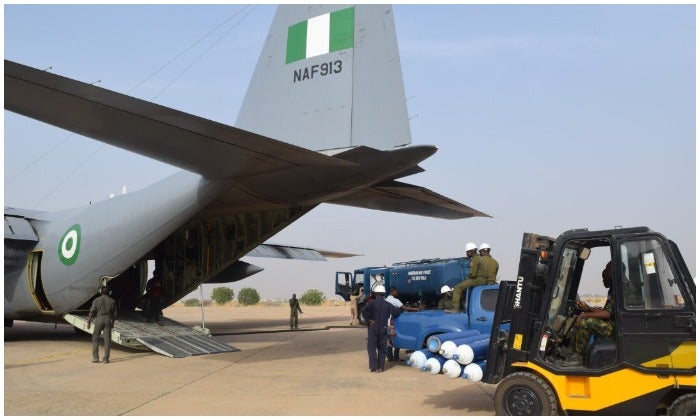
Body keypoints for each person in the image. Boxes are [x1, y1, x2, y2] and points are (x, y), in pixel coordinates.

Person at [563, 261, 615, 366]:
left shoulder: (621, 288)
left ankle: (578, 356)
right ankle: (573, 350)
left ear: (613, 271)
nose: (604, 272)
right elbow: (605, 311)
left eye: (607, 269)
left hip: (615, 328)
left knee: (585, 322)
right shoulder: (613, 289)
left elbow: (607, 314)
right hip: (612, 324)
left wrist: (585, 314)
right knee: (581, 317)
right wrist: (587, 309)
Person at [362, 285, 402, 373]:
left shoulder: (371, 303)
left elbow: (363, 310)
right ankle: (380, 367)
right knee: (382, 348)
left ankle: (374, 367)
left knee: (371, 348)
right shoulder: (388, 304)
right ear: (384, 294)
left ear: (375, 293)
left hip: (373, 328)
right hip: (383, 328)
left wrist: (369, 320)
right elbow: (397, 312)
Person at [384, 287, 418, 362]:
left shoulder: (386, 300)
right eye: (396, 292)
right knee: (395, 338)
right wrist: (416, 309)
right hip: (392, 323)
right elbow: (404, 308)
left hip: (385, 323)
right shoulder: (395, 300)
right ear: (392, 292)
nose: (397, 293)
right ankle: (396, 357)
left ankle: (390, 357)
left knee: (389, 340)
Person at [87, 285, 118, 363]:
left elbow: (92, 311)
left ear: (101, 292)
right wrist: (113, 323)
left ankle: (95, 357)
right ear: (109, 292)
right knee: (107, 340)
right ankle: (106, 359)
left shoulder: (96, 300)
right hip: (108, 320)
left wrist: (89, 321)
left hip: (99, 319)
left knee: (95, 338)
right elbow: (115, 314)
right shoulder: (112, 301)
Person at [451, 242, 485, 310]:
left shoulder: (475, 259)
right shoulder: (479, 258)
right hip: (481, 279)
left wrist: (468, 278)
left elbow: (473, 274)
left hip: (478, 279)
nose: (466, 254)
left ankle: (455, 308)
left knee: (457, 288)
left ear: (471, 251)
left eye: (467, 252)